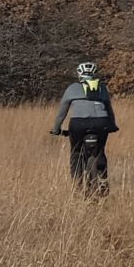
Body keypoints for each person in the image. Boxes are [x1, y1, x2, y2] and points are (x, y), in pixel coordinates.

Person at [51, 61, 119, 192]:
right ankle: (102, 179)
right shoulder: (102, 88)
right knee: (100, 151)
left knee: (76, 152)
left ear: (79, 74)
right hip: (101, 122)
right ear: (94, 74)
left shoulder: (72, 88)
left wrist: (56, 128)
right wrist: (112, 125)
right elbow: (109, 109)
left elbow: (62, 111)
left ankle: (77, 183)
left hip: (79, 124)